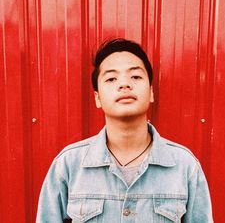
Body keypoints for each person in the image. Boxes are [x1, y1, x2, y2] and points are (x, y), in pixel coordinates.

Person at [36, 38, 213, 222]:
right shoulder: (68, 165)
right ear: (97, 98)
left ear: (151, 92)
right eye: (111, 78)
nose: (124, 84)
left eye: (135, 76)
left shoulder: (184, 166)